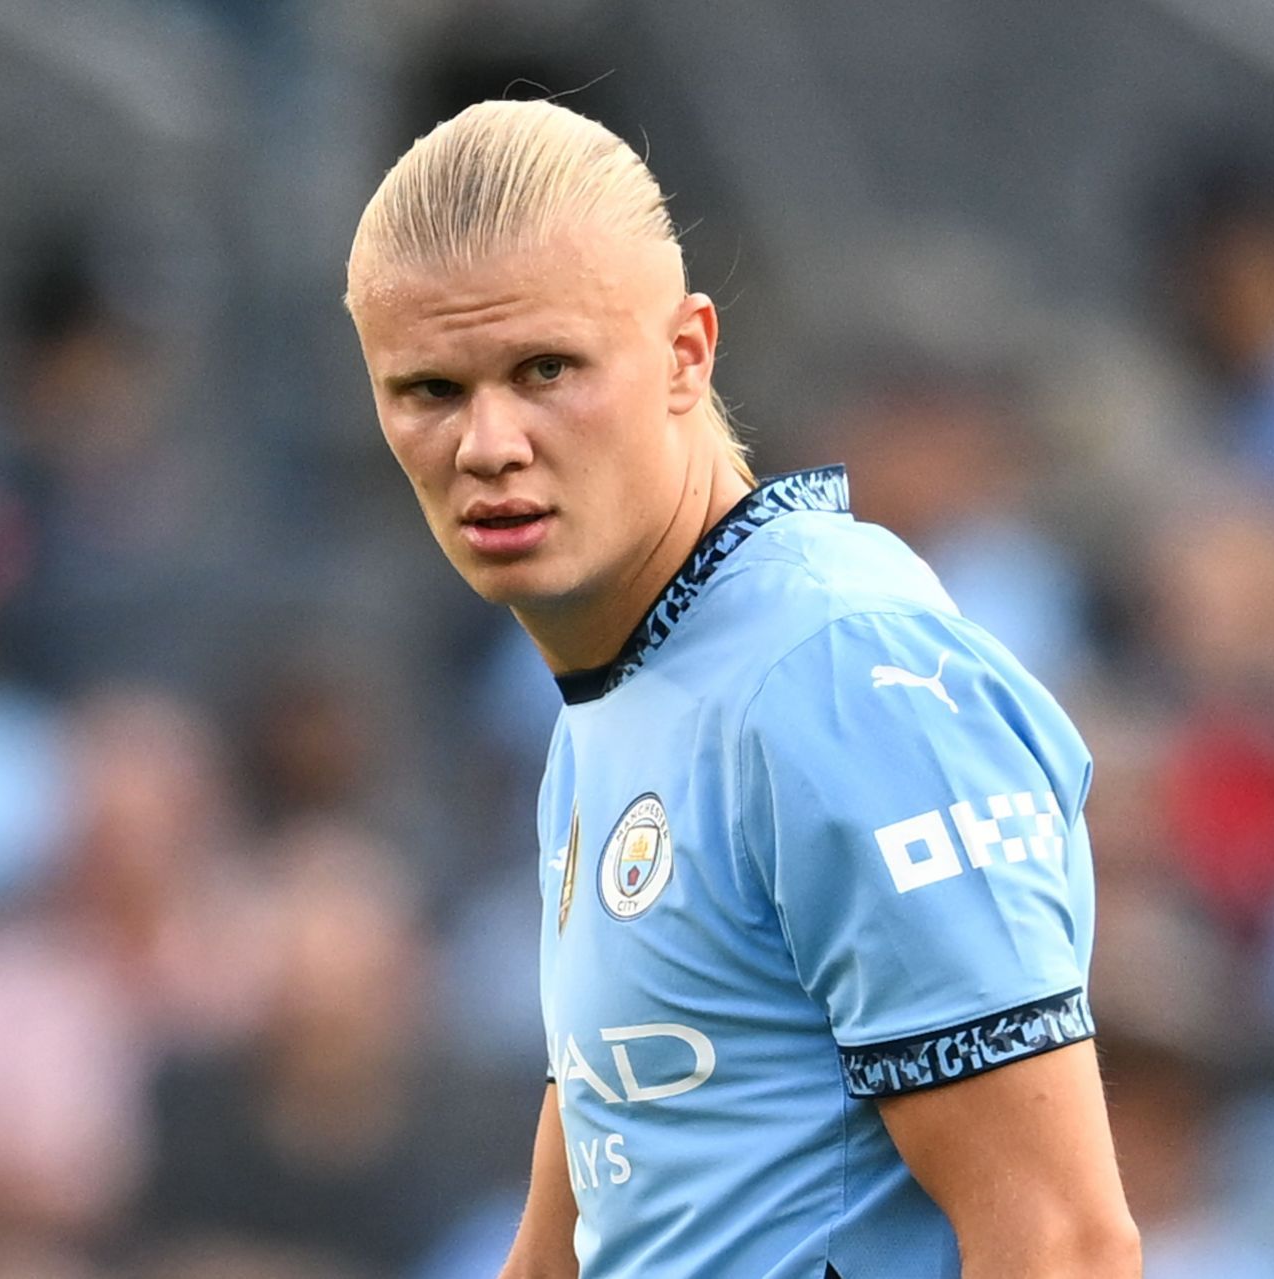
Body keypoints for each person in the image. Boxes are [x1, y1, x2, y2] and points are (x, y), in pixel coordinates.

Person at [343, 99, 1138, 1278]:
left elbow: (1062, 1242)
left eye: (545, 368)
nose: (489, 442)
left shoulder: (842, 678)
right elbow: (589, 1225)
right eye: (431, 390)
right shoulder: (623, 696)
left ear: (685, 356)